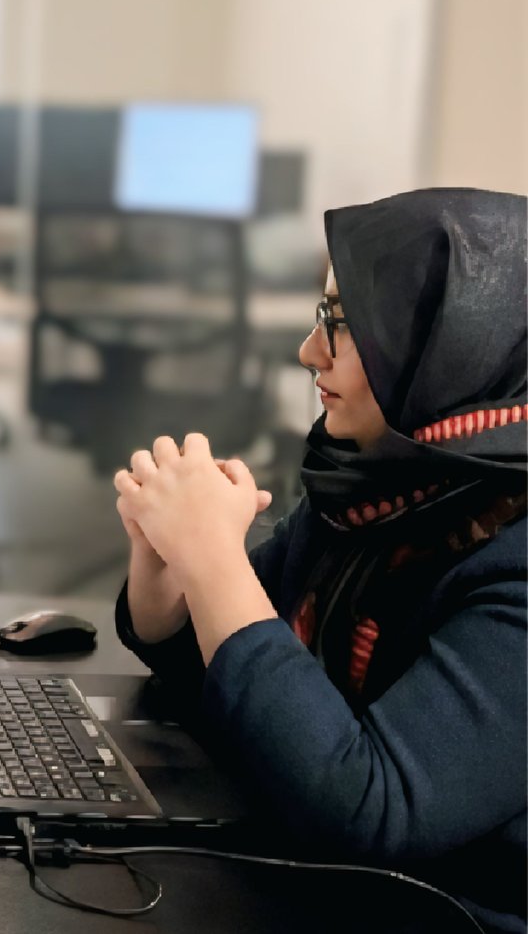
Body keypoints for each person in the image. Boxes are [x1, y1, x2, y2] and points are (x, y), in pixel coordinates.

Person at [115, 188, 526, 933]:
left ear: (446, 345)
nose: (311, 352)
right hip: (313, 878)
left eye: (343, 323)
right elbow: (237, 675)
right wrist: (167, 566)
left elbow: (368, 808)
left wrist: (215, 563)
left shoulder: (514, 556)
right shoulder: (381, 485)